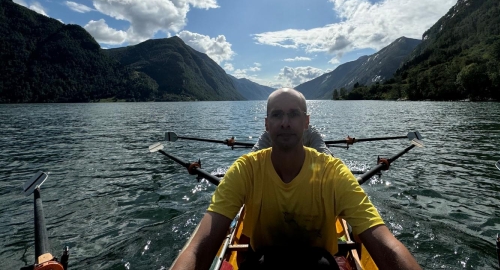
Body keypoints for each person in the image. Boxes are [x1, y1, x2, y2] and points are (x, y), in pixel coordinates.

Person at [170, 88, 421, 270]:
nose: (286, 123)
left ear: (306, 122)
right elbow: (199, 246)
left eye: (294, 115)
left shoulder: (332, 171)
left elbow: (386, 243)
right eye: (277, 116)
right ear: (267, 125)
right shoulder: (245, 169)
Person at [251, 123, 332, 155]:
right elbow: (252, 155)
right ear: (267, 122)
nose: (285, 123)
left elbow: (324, 152)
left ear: (306, 120)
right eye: (278, 114)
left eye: (293, 114)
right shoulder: (269, 133)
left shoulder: (310, 132)